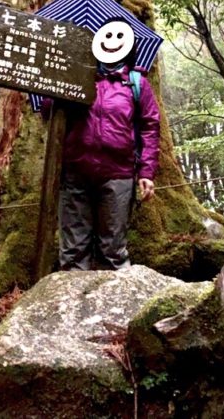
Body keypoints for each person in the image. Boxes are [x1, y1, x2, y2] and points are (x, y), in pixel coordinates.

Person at [57, 18, 160, 271]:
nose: (112, 41)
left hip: (118, 174)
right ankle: (68, 306)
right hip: (76, 172)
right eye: (107, 36)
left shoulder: (137, 83)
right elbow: (51, 113)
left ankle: (118, 306)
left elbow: (150, 126)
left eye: (119, 37)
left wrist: (147, 172)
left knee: (113, 250)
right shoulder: (79, 76)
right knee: (72, 253)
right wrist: (57, 82)